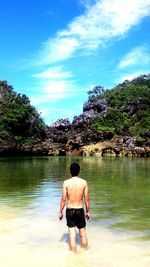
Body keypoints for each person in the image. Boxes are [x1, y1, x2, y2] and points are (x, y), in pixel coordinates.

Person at [59, 162, 90, 252]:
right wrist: (88, 211)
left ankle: (72, 257)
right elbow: (86, 199)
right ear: (79, 171)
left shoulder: (66, 183)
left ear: (70, 171)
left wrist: (60, 211)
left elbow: (63, 199)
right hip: (79, 209)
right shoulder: (84, 182)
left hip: (70, 210)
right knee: (82, 234)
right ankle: (84, 254)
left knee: (72, 236)